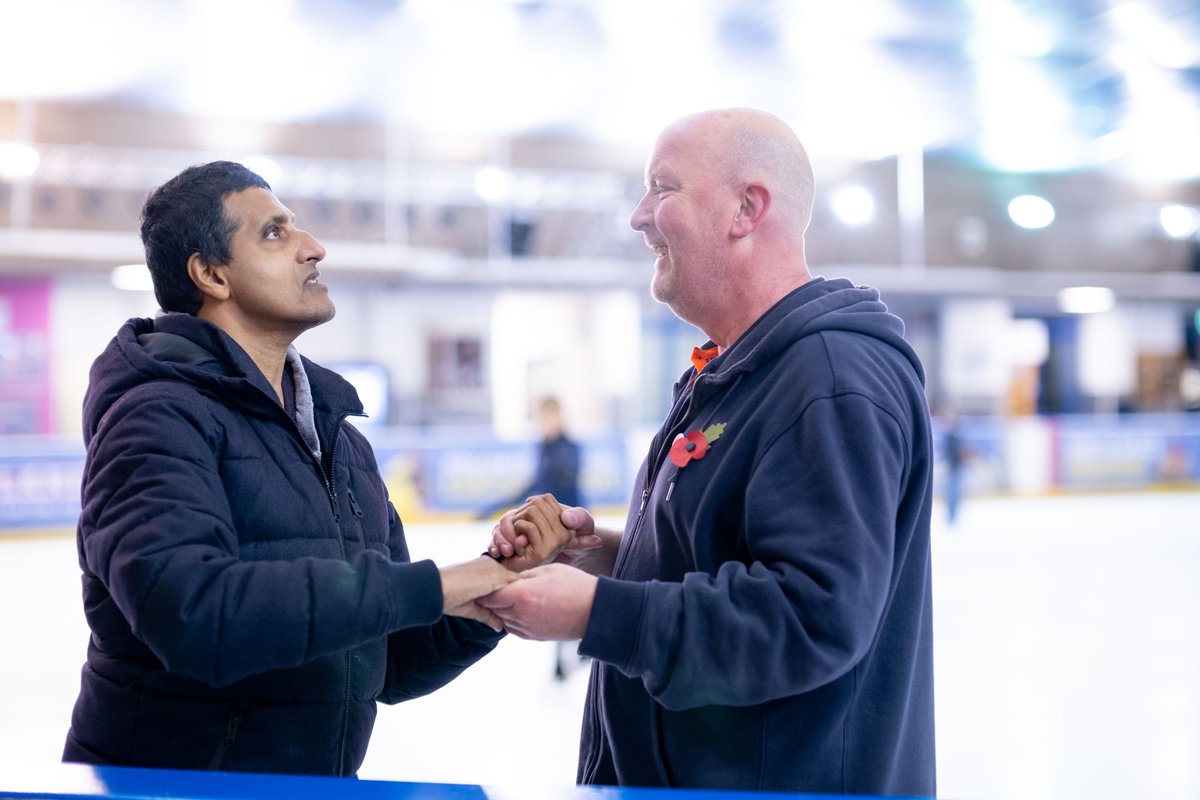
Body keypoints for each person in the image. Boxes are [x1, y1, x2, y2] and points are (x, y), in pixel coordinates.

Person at [482, 108, 937, 796]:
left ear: (745, 208)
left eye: (662, 189)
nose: (639, 217)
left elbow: (812, 615)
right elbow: (722, 554)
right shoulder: (731, 374)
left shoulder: (829, 379)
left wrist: (597, 612)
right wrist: (604, 554)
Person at [61, 161, 569, 776]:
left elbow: (390, 661)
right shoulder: (156, 417)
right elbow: (193, 614)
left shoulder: (341, 441)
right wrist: (439, 583)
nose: (314, 248)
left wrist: (493, 582)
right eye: (275, 234)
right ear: (211, 274)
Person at [478, 396, 583, 518]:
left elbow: (561, 485)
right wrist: (496, 507)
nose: (545, 423)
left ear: (559, 416)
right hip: (549, 515)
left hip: (569, 517)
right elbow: (536, 485)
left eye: (549, 417)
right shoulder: (544, 447)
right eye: (542, 419)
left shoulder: (568, 449)